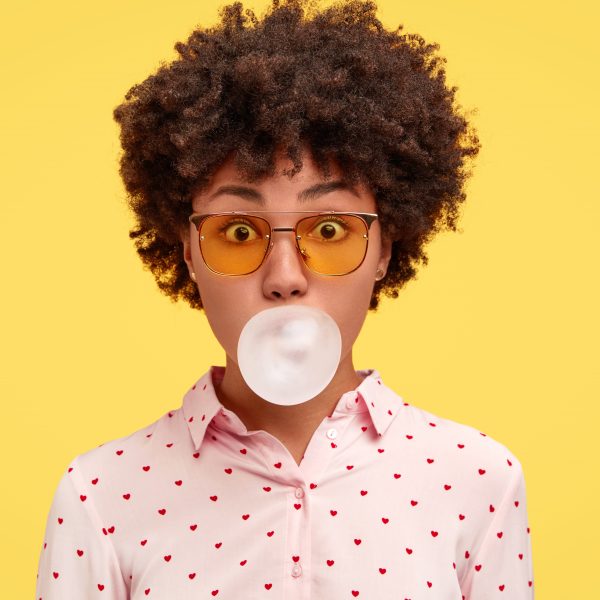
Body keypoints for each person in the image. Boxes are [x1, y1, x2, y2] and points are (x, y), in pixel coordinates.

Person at [35, 0, 535, 598]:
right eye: (239, 232)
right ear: (189, 251)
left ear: (383, 248)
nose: (285, 277)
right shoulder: (100, 496)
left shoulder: (477, 479)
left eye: (328, 230)